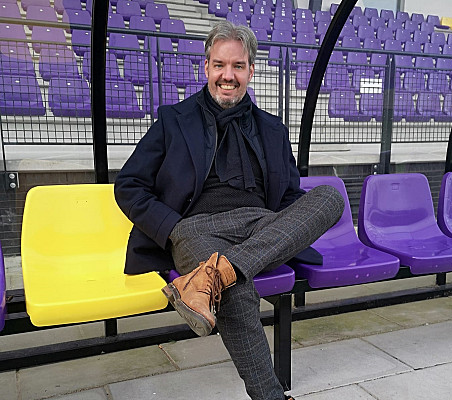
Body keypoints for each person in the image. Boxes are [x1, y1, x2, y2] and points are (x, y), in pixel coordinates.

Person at [114, 20, 344, 400]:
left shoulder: (272, 129)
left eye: (238, 66)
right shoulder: (174, 120)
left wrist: (289, 227)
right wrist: (172, 229)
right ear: (206, 67)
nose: (228, 75)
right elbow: (129, 185)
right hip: (194, 229)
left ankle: (217, 273)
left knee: (330, 198)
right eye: (220, 65)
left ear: (250, 71)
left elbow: (289, 196)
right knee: (235, 290)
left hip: (260, 228)